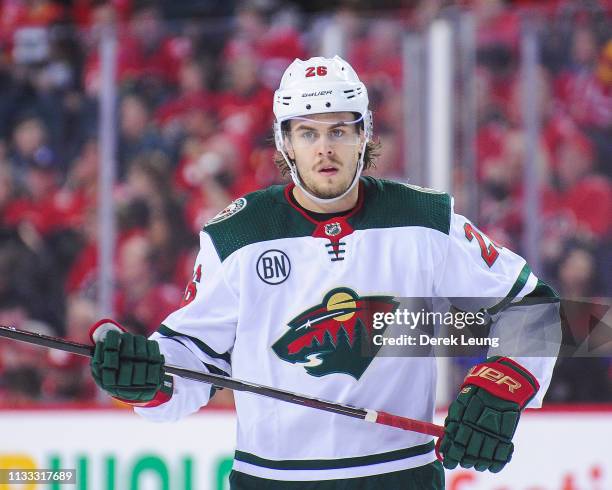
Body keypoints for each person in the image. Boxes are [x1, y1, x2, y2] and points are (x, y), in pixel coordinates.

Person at [89, 56, 560, 489]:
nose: (325, 148)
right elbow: (195, 356)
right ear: (285, 141)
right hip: (270, 480)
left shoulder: (424, 219)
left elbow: (536, 307)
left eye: (339, 131)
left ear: (364, 135)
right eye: (308, 133)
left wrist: (501, 385)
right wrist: (150, 377)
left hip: (398, 477)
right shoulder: (238, 234)